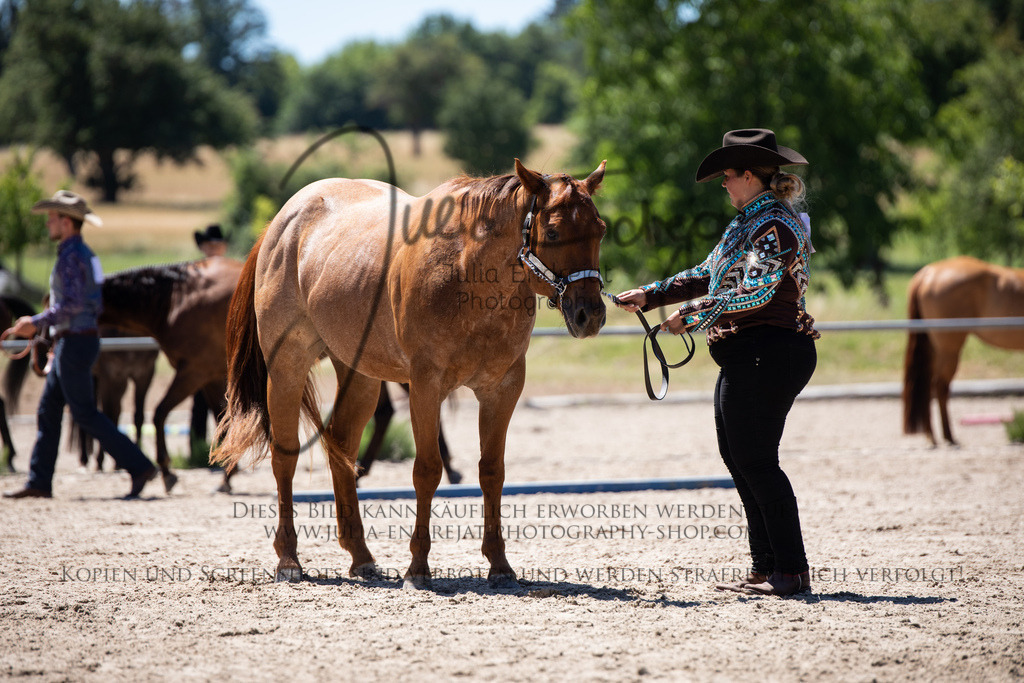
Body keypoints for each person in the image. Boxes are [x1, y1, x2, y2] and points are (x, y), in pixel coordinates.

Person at [615, 129, 820, 597]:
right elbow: (706, 274)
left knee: (756, 460)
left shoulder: (774, 226)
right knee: (741, 458)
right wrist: (652, 294)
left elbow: (756, 291)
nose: (723, 183)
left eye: (728, 175)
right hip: (752, 354)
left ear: (749, 176)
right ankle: (768, 566)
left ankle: (789, 570)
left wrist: (692, 315)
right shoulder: (749, 222)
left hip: (769, 351)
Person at [2, 191, 160, 500]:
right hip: (74, 342)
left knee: (84, 413)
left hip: (73, 343)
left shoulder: (72, 256)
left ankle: (140, 466)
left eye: (52, 218)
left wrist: (36, 322)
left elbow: (72, 304)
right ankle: (39, 481)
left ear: (66, 222)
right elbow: (91, 304)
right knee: (48, 410)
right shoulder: (84, 254)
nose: (47, 223)